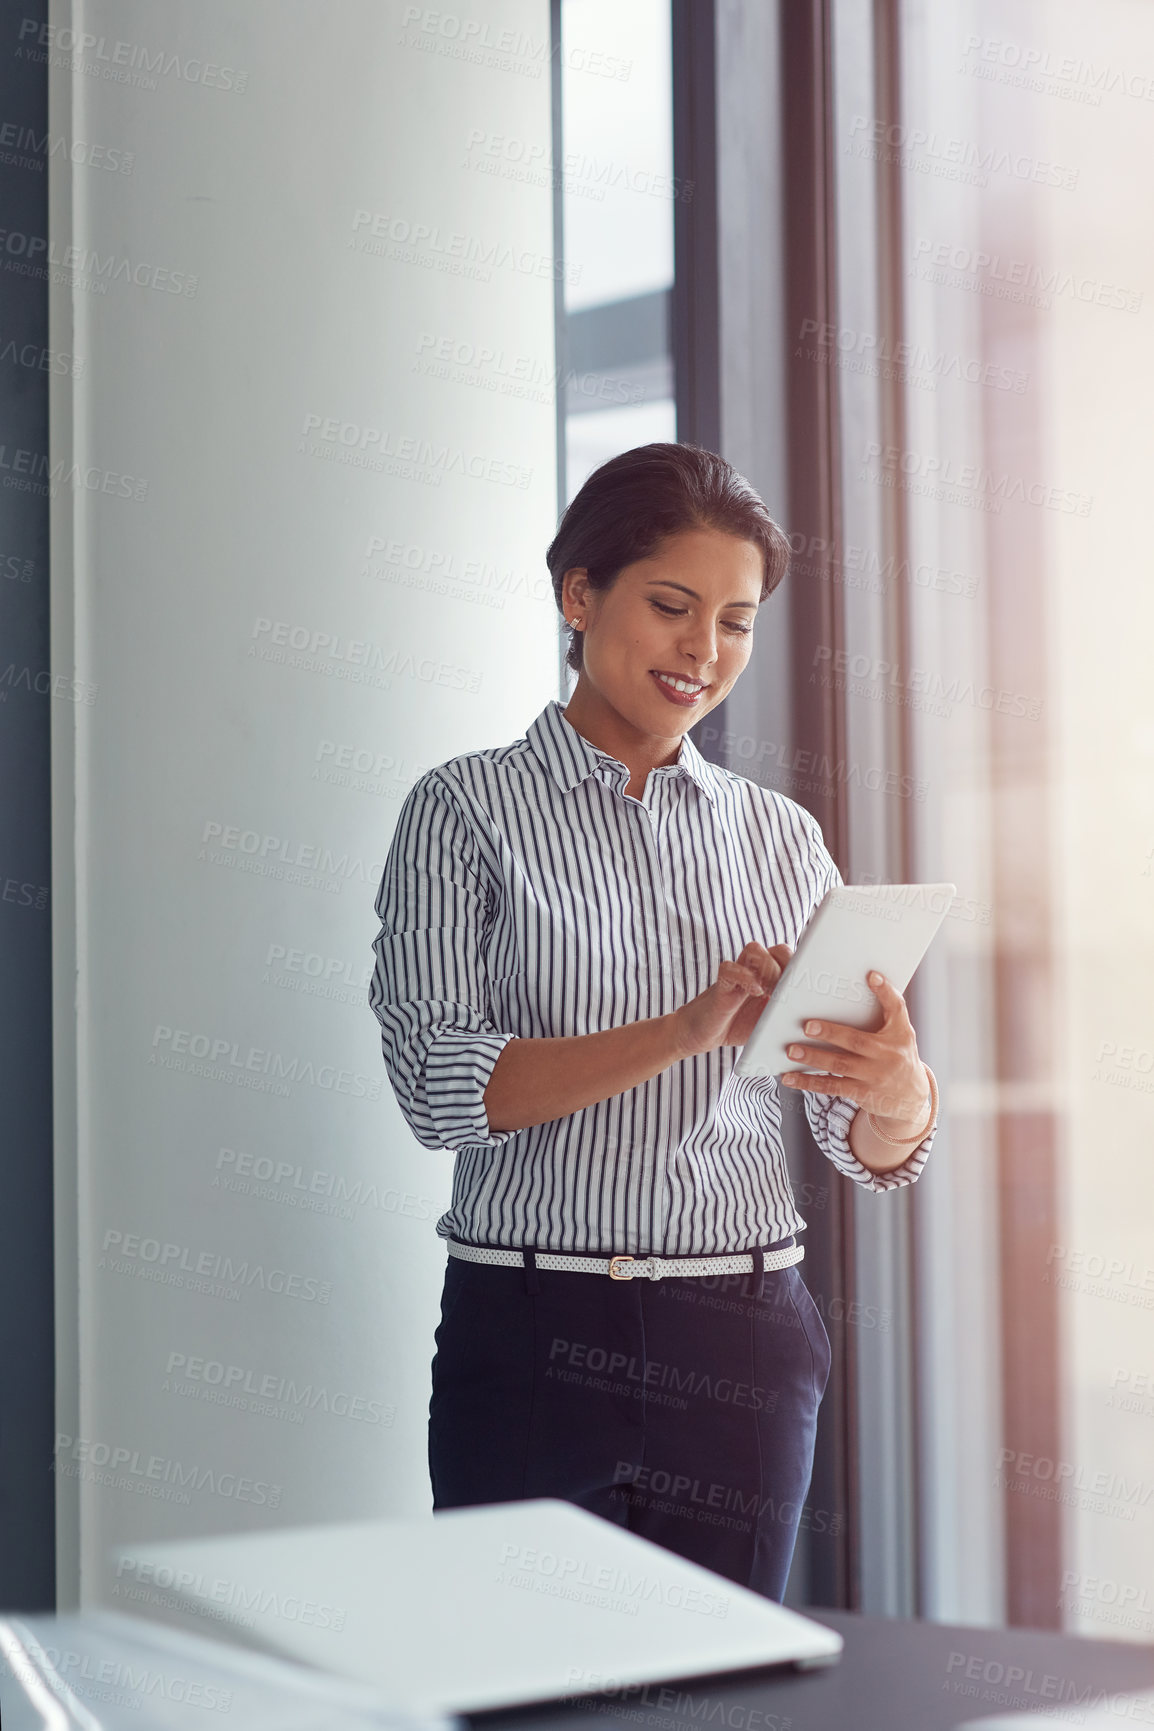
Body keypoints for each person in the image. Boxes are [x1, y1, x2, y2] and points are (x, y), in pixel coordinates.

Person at [369, 442, 939, 1602]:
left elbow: (852, 1142)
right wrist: (682, 1031)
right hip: (529, 1329)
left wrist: (898, 1095)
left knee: (720, 1707)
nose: (702, 652)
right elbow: (436, 1091)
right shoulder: (460, 810)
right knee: (517, 1696)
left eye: (734, 622)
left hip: (741, 1336)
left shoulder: (778, 839)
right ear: (579, 595)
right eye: (671, 607)